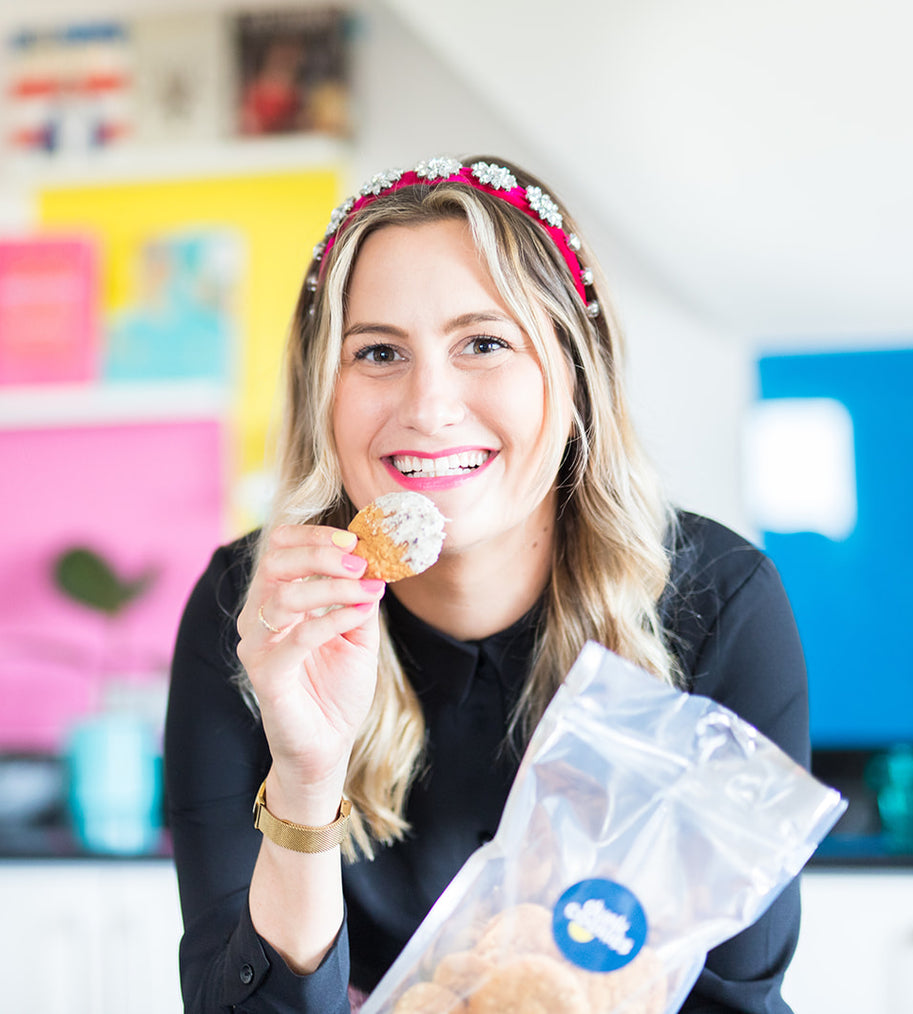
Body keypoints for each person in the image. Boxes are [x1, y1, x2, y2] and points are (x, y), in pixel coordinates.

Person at [163, 155, 810, 1013]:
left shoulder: (716, 603)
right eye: (379, 351)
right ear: (324, 391)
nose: (428, 406)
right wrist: (307, 776)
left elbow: (730, 1001)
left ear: (574, 372)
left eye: (485, 342)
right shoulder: (256, 614)